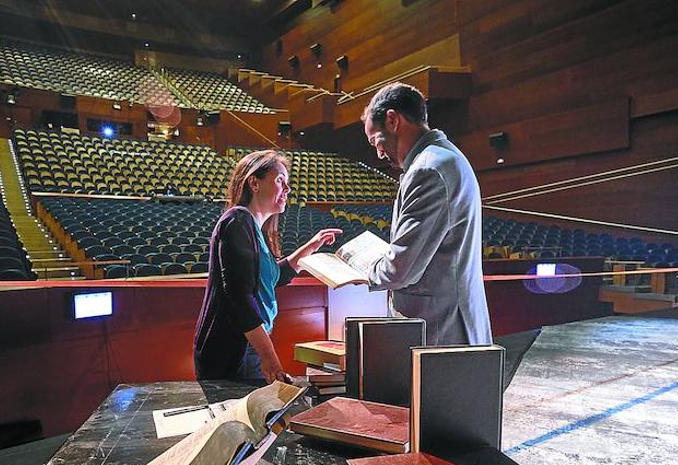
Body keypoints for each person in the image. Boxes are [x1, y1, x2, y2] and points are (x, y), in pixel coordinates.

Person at [361, 82, 492, 346]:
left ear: (392, 119)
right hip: (444, 326)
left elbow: (401, 271)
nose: (379, 152)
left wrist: (362, 268)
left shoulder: (428, 169)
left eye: (377, 140)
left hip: (442, 332)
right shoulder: (441, 158)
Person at [194, 150, 341, 383]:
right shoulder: (237, 220)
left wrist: (312, 246)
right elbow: (240, 298)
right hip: (230, 349)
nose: (288, 189)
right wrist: (270, 357)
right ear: (254, 182)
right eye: (280, 180)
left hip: (247, 344)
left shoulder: (252, 227)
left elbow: (276, 276)